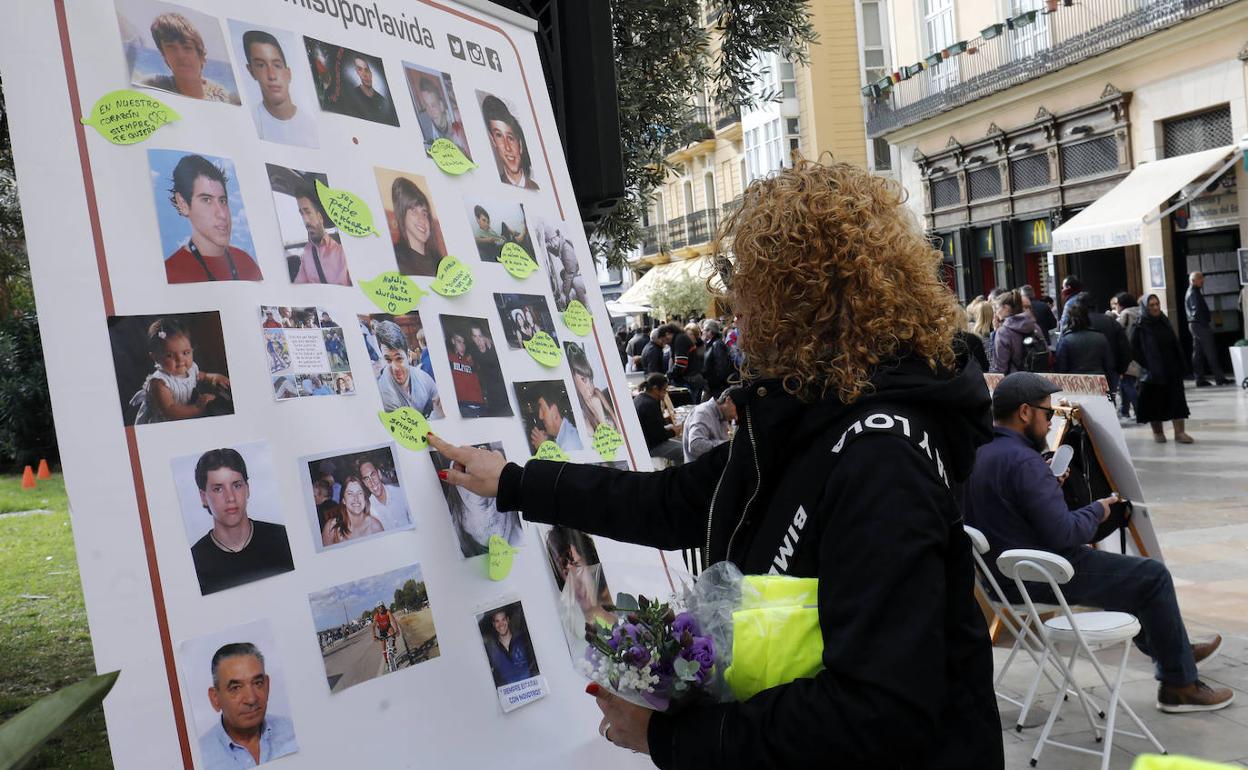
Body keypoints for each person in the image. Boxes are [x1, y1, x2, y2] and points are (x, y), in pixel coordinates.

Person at [428, 158, 1002, 768]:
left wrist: (667, 739)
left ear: (802, 304)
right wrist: (516, 482)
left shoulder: (881, 459)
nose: (735, 316)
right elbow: (669, 503)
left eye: (749, 293)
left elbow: (876, 712)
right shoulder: (803, 416)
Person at [963, 372, 1232, 713]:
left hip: (1001, 580)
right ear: (1025, 413)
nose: (1050, 424)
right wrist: (1098, 509)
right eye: (1048, 414)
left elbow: (1009, 509)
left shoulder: (979, 451)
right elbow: (1066, 533)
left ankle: (1174, 650)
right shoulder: (1023, 462)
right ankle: (1179, 685)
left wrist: (1044, 488)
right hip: (1043, 576)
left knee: (1126, 578)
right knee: (1152, 577)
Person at [189, 449, 294, 595]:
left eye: (237, 485)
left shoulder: (283, 538)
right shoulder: (194, 561)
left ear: (247, 488)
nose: (230, 497)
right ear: (203, 497)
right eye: (218, 489)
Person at [164, 155, 262, 283]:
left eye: (223, 200)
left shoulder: (246, 261)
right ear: (183, 204)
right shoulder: (170, 271)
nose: (222, 214)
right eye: (207, 200)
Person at [199, 643, 297, 769]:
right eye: (235, 688)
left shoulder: (293, 732)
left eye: (257, 683)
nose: (251, 699)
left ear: (267, 685)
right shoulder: (200, 757)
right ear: (215, 698)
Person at [131, 317, 231, 424]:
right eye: (169, 355)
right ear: (156, 357)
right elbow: (169, 411)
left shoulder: (191, 369)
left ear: (192, 350)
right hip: (166, 420)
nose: (180, 359)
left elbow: (203, 376)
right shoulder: (159, 383)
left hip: (185, 410)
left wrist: (214, 377)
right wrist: (197, 408)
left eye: (185, 353)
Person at [1133, 294, 1194, 443]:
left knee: (1177, 401)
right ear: (1145, 307)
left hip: (1171, 368)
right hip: (1152, 372)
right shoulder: (1140, 325)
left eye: (1157, 304)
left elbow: (1174, 343)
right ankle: (1158, 432)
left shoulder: (1164, 321)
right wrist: (1147, 365)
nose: (1155, 307)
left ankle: (1179, 433)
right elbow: (1134, 349)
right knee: (1155, 403)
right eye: (1151, 305)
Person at [241, 30, 317, 147]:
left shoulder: (312, 124)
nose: (271, 75)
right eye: (261, 65)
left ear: (288, 73)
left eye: (277, 66)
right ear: (251, 71)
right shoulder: (250, 124)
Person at [143, 13, 239, 104]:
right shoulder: (152, 85)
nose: (180, 56)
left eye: (187, 47)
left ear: (201, 56)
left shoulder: (224, 98)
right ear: (164, 56)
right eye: (171, 47)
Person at [373, 320, 442, 418]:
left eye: (399, 358)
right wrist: (438, 413)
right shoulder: (385, 394)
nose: (395, 367)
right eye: (388, 360)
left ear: (408, 356)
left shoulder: (423, 377)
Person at [290, 189, 349, 285]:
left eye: (308, 212)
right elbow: (299, 286)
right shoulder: (307, 253)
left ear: (320, 218)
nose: (305, 221)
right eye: (302, 214)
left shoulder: (342, 252)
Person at [481, 94, 538, 190]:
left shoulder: (535, 188)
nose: (507, 147)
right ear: (493, 141)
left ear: (520, 144)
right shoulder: (491, 187)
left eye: (510, 138)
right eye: (499, 135)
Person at [1186, 272, 1232, 386]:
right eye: (1200, 279)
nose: (1202, 281)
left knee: (1198, 352)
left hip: (1195, 324)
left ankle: (1200, 379)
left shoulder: (1193, 291)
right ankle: (1219, 378)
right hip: (1199, 325)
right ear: (1193, 280)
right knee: (1210, 351)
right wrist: (1205, 321)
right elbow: (1196, 310)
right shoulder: (1193, 292)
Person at [390, 177, 442, 277]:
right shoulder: (395, 258)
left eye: (424, 213)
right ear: (402, 215)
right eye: (414, 211)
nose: (421, 219)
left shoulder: (441, 263)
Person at [634, 374, 684, 466]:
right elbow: (658, 436)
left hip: (645, 443)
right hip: (650, 446)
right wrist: (674, 432)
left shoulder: (639, 399)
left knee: (679, 445)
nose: (665, 393)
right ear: (655, 389)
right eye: (664, 390)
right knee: (684, 450)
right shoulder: (649, 404)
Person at [991, 289, 1045, 374]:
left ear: (1005, 308)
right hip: (1039, 378)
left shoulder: (1003, 332)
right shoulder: (1034, 326)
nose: (995, 314)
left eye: (996, 309)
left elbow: (1000, 368)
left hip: (1015, 381)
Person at [568, 343, 620, 432]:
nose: (589, 386)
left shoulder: (597, 392)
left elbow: (612, 414)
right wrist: (599, 413)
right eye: (583, 379)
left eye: (590, 379)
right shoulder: (580, 413)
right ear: (573, 380)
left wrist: (619, 429)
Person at [321, 474, 384, 546]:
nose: (356, 498)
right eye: (350, 494)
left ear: (364, 498)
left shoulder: (375, 527)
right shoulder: (331, 528)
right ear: (343, 500)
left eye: (359, 493)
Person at [681, 386, 739, 463]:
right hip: (699, 470)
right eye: (738, 409)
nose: (736, 416)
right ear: (728, 400)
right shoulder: (703, 412)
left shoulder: (723, 415)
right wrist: (728, 445)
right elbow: (695, 446)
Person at [483, 607, 538, 687]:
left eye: (503, 619)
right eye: (497, 621)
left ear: (508, 620)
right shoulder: (491, 650)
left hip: (532, 689)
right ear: (493, 624)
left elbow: (536, 665)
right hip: (510, 696)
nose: (501, 624)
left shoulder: (524, 640)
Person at [1055, 302, 1113, 376]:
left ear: (1070, 319)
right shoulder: (1101, 337)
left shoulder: (1066, 340)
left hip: (1075, 381)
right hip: (1098, 380)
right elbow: (1109, 364)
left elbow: (1061, 366)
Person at [414, 74, 468, 153]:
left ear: (441, 106)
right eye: (427, 106)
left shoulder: (456, 118)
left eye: (433, 105)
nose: (430, 111)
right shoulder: (422, 123)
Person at [357, 458, 409, 532]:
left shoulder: (400, 493)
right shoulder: (369, 511)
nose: (372, 482)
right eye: (367, 479)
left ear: (379, 474)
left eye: (373, 475)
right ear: (364, 483)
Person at [470, 324, 512, 417]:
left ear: (484, 336)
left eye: (480, 336)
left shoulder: (494, 349)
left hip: (505, 394)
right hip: (490, 399)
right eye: (475, 336)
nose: (478, 340)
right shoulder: (473, 353)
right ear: (472, 338)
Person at [1113, 292, 1143, 419]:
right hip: (1140, 353)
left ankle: (1139, 409)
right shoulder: (1141, 311)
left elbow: (1116, 329)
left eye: (1117, 304)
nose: (1116, 307)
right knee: (1127, 382)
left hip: (1128, 353)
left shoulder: (1126, 314)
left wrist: (1111, 316)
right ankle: (1124, 410)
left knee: (1126, 383)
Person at [528, 385, 583, 453]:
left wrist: (543, 448)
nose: (540, 416)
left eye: (542, 409)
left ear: (554, 411)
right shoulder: (564, 434)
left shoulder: (569, 444)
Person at [448, 331, 486, 417]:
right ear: (453, 341)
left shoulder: (472, 360)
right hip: (462, 405)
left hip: (479, 405)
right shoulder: (449, 358)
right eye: (459, 341)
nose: (462, 344)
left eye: (463, 342)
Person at [348, 56, 395, 123]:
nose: (365, 75)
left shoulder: (382, 100)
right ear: (357, 73)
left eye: (366, 70)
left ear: (371, 73)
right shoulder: (351, 97)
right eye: (360, 69)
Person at [668, 322, 706, 403]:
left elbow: (682, 364)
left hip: (693, 380)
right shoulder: (681, 344)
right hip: (688, 379)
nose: (688, 336)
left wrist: (670, 374)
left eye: (691, 334)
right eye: (687, 334)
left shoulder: (700, 348)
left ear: (696, 336)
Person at [700, 320, 736, 399]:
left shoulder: (717, 344)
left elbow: (722, 367)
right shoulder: (710, 344)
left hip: (717, 389)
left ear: (710, 331)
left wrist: (715, 384)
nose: (702, 331)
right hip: (712, 387)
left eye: (704, 329)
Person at [372, 603, 402, 667]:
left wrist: (397, 630)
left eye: (382, 607)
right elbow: (373, 627)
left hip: (388, 627)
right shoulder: (376, 616)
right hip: (382, 630)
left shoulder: (387, 612)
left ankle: (393, 645)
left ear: (384, 607)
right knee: (384, 647)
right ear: (377, 609)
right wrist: (374, 636)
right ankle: (386, 662)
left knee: (392, 632)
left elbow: (393, 620)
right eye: (379, 608)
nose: (381, 608)